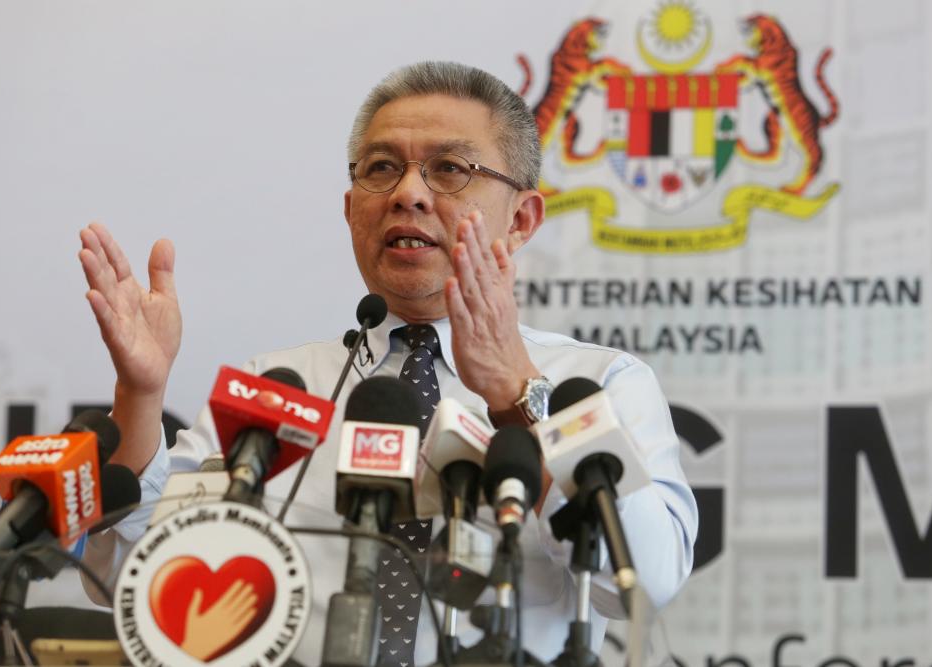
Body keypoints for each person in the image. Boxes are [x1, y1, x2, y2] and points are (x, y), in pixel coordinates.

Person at [77, 61, 698, 665]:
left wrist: (515, 390)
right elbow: (134, 568)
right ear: (352, 209)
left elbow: (645, 581)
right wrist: (140, 393)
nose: (408, 194)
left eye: (449, 169)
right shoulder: (277, 387)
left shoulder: (597, 384)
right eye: (382, 168)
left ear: (522, 219)